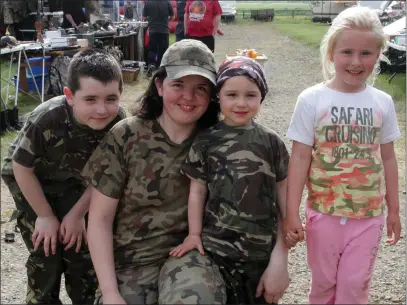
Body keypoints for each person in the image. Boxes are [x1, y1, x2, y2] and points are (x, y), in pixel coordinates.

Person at [81, 39, 226, 305]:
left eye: (201, 88)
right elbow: (99, 220)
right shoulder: (126, 135)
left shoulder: (218, 142)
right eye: (178, 85)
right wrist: (111, 293)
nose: (188, 97)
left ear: (212, 96)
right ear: (159, 85)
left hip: (188, 256)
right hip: (128, 263)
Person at [284, 6, 402, 304]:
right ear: (331, 53)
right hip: (323, 214)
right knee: (323, 285)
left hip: (368, 217)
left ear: (379, 55)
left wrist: (395, 210)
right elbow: (299, 158)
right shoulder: (311, 99)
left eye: (366, 53)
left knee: (354, 287)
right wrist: (291, 212)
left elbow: (388, 158)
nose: (355, 61)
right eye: (347, 52)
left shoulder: (383, 102)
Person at [1, 49, 126, 304]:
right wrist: (45, 217)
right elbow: (21, 168)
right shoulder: (47, 117)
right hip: (32, 180)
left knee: (79, 247)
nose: (101, 109)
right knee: (45, 249)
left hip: (76, 182)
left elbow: (106, 175)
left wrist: (77, 214)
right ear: (70, 96)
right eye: (90, 99)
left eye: (110, 98)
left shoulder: (120, 123)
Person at [169, 56, 291, 304]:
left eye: (251, 95)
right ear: (218, 97)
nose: (241, 103)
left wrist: (289, 230)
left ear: (262, 97)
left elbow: (283, 193)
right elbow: (197, 192)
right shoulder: (206, 141)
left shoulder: (271, 142)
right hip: (217, 250)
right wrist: (194, 234)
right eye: (232, 95)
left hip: (261, 252)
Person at [143, 0, 174, 70]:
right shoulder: (167, 2)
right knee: (163, 50)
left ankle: (151, 65)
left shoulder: (148, 2)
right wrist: (165, 20)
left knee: (152, 49)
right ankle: (161, 67)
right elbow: (172, 17)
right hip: (164, 30)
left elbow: (144, 17)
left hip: (153, 30)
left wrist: (151, 19)